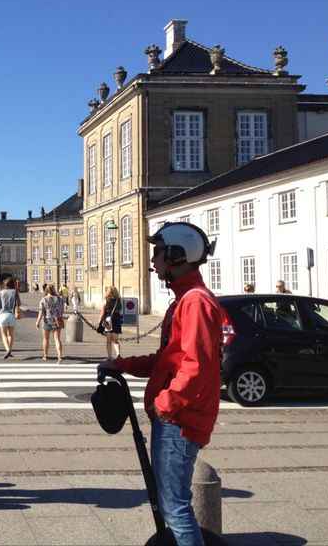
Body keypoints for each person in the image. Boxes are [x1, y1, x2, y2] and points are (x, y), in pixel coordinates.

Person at [99, 221, 222, 546]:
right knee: (172, 504)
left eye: (158, 253)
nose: (153, 261)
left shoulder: (195, 302)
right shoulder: (184, 300)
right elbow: (168, 359)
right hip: (176, 417)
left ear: (178, 256)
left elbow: (196, 367)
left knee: (175, 506)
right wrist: (121, 364)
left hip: (179, 420)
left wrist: (165, 404)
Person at [36, 284, 64, 363]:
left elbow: (41, 312)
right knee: (57, 339)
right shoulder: (60, 299)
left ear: (46, 290)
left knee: (46, 339)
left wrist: (37, 321)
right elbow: (62, 310)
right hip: (57, 320)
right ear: (54, 289)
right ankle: (59, 356)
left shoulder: (44, 300)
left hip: (47, 321)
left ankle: (45, 355)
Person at [0, 276, 20, 359]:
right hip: (11, 315)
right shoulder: (15, 292)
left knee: (3, 334)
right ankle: (10, 349)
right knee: (11, 334)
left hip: (2, 315)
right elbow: (19, 303)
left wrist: (1, 307)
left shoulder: (1, 292)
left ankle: (7, 349)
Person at [97, 286, 123, 360]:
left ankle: (109, 356)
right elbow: (120, 311)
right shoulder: (118, 300)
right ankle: (118, 355)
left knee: (108, 340)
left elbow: (102, 312)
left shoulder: (106, 300)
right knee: (115, 340)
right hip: (117, 321)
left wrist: (99, 321)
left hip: (108, 321)